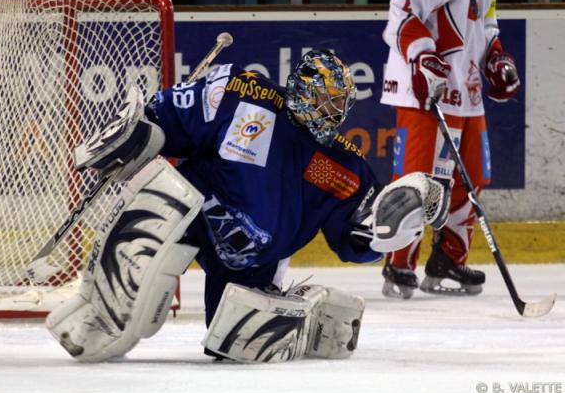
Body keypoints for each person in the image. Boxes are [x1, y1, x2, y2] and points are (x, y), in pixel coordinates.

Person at [45, 50, 449, 363]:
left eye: (338, 105)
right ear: (300, 90)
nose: (332, 114)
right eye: (323, 102)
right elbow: (169, 117)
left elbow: (353, 239)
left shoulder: (344, 167)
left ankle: (305, 310)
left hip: (252, 261)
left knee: (237, 343)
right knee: (154, 213)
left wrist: (387, 230)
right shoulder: (244, 93)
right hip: (192, 217)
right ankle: (97, 314)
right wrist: (138, 131)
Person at [380, 0, 521, 299]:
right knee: (418, 181)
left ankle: (447, 260)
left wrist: (495, 58)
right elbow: (401, 13)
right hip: (426, 87)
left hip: (467, 88)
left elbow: (486, 23)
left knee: (472, 178)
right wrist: (421, 55)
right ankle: (400, 264)